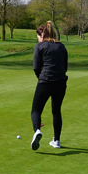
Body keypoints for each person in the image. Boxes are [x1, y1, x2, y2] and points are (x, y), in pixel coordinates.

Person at [30, 20, 68, 151]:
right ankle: (56, 140)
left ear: (42, 35)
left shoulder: (39, 47)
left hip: (45, 81)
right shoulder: (61, 46)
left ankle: (37, 131)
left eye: (38, 36)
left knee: (36, 110)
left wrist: (41, 78)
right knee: (56, 111)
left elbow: (36, 67)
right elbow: (65, 67)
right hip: (61, 82)